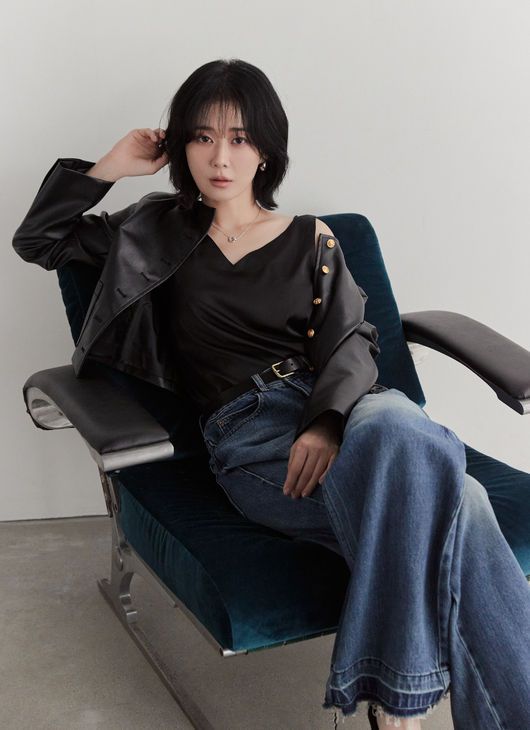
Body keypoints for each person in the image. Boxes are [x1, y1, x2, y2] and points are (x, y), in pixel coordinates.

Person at [12, 59, 530, 729]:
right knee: (463, 500)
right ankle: (429, 703)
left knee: (398, 422)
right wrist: (111, 166)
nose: (220, 157)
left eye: (239, 137)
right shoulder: (148, 230)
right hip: (249, 433)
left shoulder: (311, 238)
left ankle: (397, 702)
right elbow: (39, 238)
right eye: (201, 137)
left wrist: (326, 422)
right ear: (180, 146)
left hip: (347, 410)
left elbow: (351, 343)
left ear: (266, 149)